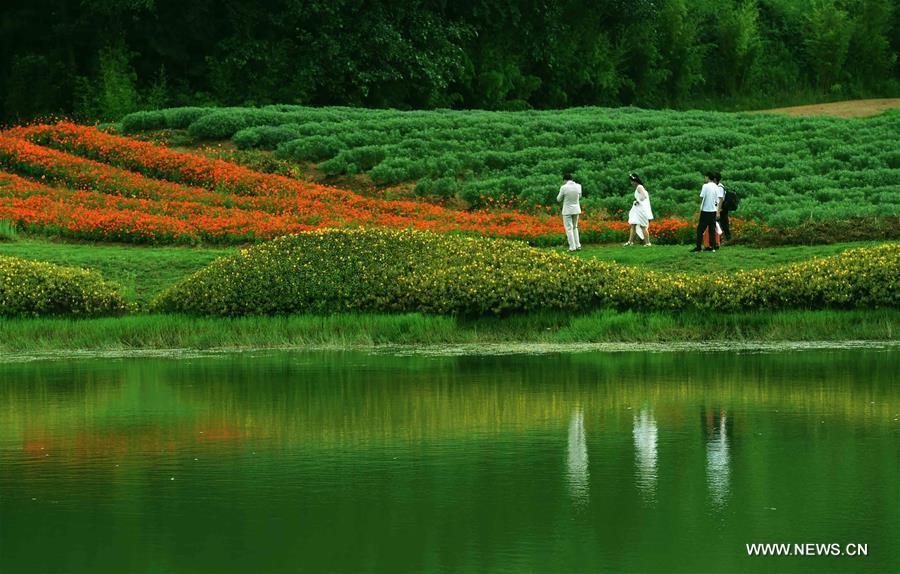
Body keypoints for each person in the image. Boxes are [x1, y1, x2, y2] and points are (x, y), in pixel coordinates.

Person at [691, 171, 720, 253]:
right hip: (713, 210)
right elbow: (717, 200)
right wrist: (716, 209)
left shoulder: (705, 186)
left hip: (706, 210)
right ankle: (712, 247)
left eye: (705, 177)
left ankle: (698, 247)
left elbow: (702, 197)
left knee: (700, 229)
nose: (704, 178)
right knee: (712, 229)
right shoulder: (716, 186)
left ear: (708, 177)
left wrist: (700, 206)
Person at [624, 173, 653, 246]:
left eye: (631, 181)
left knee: (643, 226)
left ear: (635, 181)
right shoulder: (639, 187)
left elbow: (644, 196)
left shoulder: (639, 187)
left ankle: (648, 243)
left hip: (640, 209)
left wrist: (637, 201)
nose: (631, 183)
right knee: (633, 224)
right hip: (637, 209)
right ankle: (630, 242)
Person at [557, 172, 582, 251]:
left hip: (567, 210)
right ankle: (578, 245)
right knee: (575, 227)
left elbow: (558, 199)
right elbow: (579, 196)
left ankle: (572, 247)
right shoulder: (578, 186)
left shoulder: (563, 187)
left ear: (565, 180)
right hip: (576, 209)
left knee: (569, 228)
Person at [714, 171, 731, 242]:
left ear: (715, 179)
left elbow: (721, 200)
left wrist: (718, 211)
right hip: (720, 209)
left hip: (722, 209)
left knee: (724, 225)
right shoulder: (717, 186)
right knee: (721, 225)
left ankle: (728, 239)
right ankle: (721, 240)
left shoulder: (720, 187)